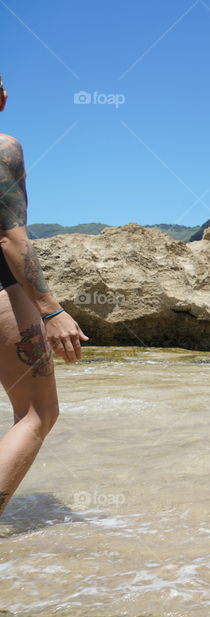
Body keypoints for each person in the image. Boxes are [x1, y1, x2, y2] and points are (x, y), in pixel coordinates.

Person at [0, 75, 88, 516]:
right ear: (1, 97)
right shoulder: (3, 148)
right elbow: (10, 239)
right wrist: (52, 310)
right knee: (37, 414)